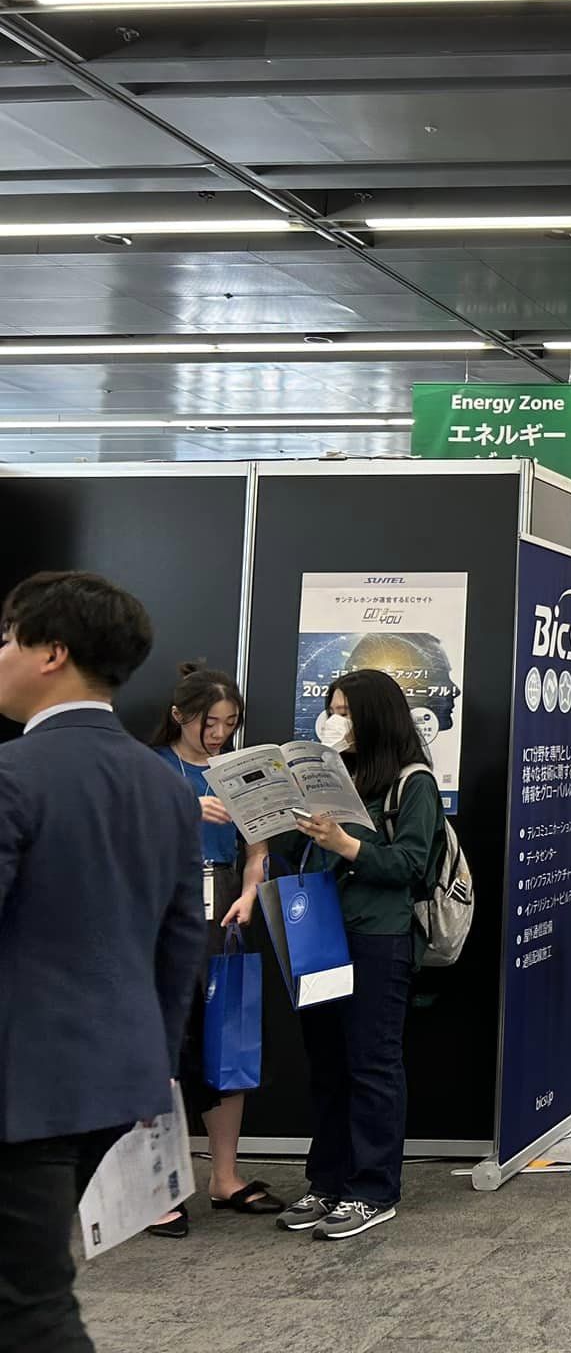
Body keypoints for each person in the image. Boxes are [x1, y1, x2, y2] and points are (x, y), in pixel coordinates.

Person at [0, 572, 203, 1351]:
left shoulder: (14, 777)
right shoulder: (164, 786)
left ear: (51, 652)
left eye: (8, 638)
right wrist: (154, 1061)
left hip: (23, 1087)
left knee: (28, 1305)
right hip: (117, 1078)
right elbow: (180, 942)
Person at [285, 668, 448, 1236]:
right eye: (331, 710)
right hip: (321, 930)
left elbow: (411, 864)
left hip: (379, 936)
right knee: (327, 1061)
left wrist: (346, 843)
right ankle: (326, 1181)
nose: (335, 721)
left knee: (372, 1062)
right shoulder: (334, 775)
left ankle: (373, 1189)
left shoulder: (413, 782)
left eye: (345, 711)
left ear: (373, 716)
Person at [150, 665, 284, 1236]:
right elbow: (120, 836)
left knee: (228, 1038)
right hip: (163, 908)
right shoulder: (150, 768)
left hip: (226, 907)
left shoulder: (239, 770)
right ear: (179, 716)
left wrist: (252, 892)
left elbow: (258, 850)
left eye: (230, 723)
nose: (220, 735)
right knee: (162, 1050)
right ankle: (158, 1188)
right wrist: (183, 808)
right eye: (210, 723)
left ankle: (224, 1176)